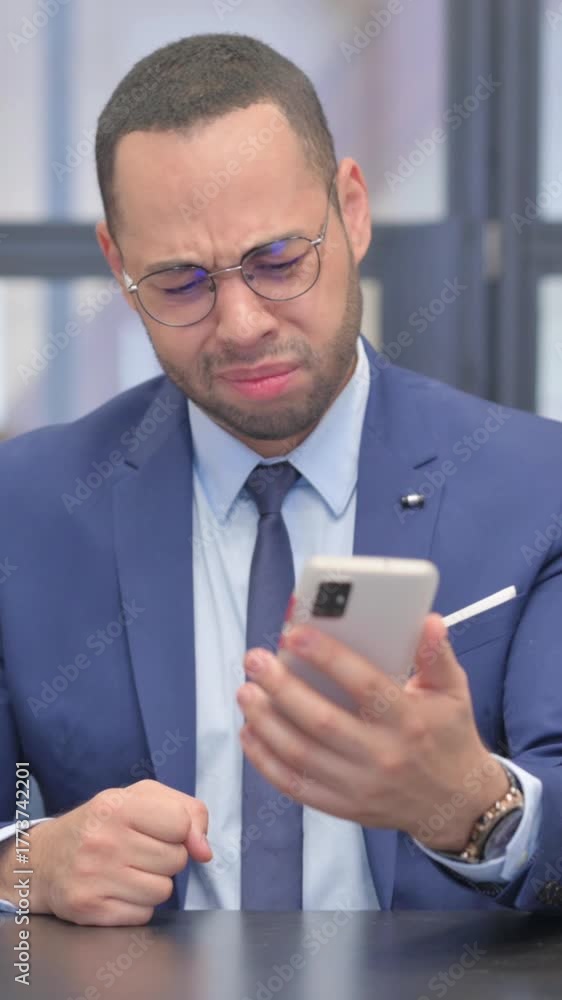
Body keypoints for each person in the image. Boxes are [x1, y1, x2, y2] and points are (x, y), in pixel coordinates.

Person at [1, 33, 561, 927]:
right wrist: (24, 866)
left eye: (277, 262)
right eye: (180, 282)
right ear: (117, 265)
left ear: (353, 211)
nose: (241, 324)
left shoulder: (539, 488)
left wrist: (474, 807)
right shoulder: (24, 508)